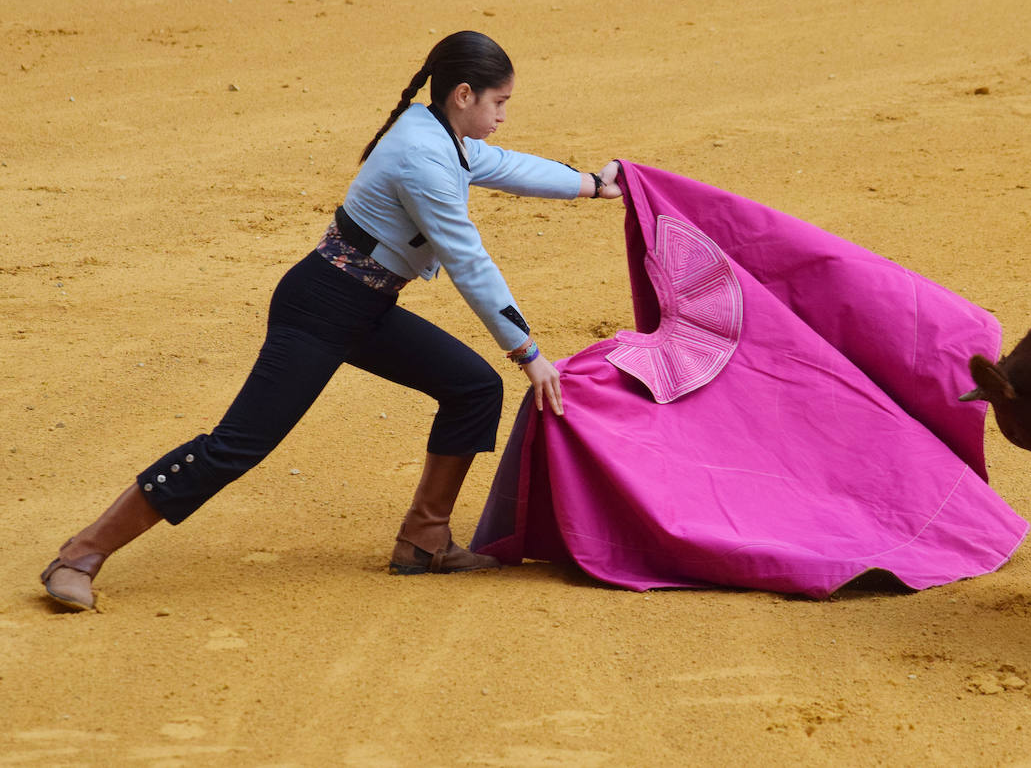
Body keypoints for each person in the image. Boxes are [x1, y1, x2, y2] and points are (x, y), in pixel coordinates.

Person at [40, 30, 623, 611]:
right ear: (465, 94)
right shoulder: (423, 153)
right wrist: (527, 352)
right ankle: (80, 554)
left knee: (472, 388)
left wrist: (593, 187)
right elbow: (467, 259)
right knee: (236, 446)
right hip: (320, 307)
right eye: (500, 103)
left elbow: (505, 165)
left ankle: (425, 543)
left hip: (362, 306)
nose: (502, 116)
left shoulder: (441, 134)